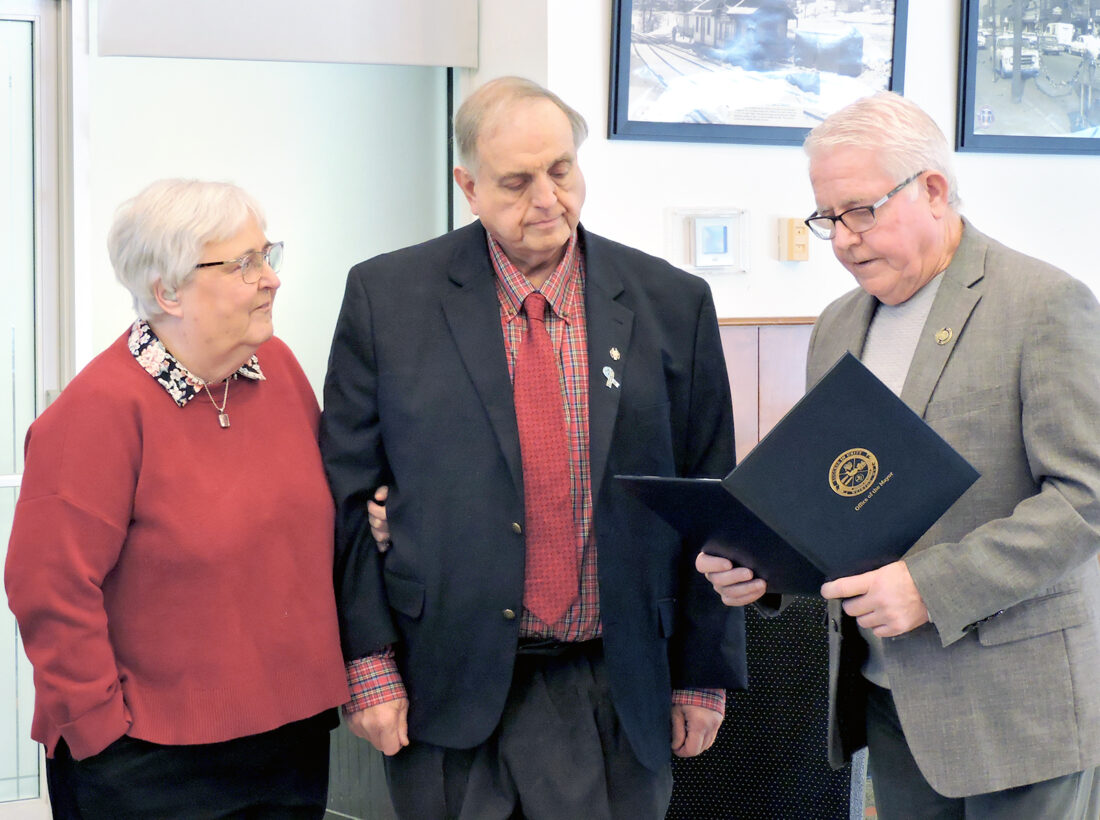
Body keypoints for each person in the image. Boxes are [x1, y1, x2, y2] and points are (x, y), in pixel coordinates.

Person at [320, 76, 746, 819]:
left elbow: (711, 497)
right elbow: (349, 498)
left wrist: (703, 673)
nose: (547, 199)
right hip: (443, 685)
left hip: (617, 685)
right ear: (469, 186)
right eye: (517, 182)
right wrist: (368, 664)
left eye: (560, 170)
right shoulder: (387, 298)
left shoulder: (672, 303)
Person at [697, 91, 1100, 819]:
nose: (844, 239)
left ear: (934, 190)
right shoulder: (837, 326)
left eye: (861, 211)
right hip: (891, 698)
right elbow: (837, 501)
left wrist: (930, 588)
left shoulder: (1043, 304)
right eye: (827, 218)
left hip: (1021, 709)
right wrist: (761, 569)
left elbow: (1085, 499)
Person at [5, 179, 349, 819]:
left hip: (290, 738)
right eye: (244, 264)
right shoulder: (97, 412)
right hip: (149, 760)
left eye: (267, 255)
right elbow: (47, 589)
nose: (271, 279)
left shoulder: (278, 370)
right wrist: (99, 730)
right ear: (168, 293)